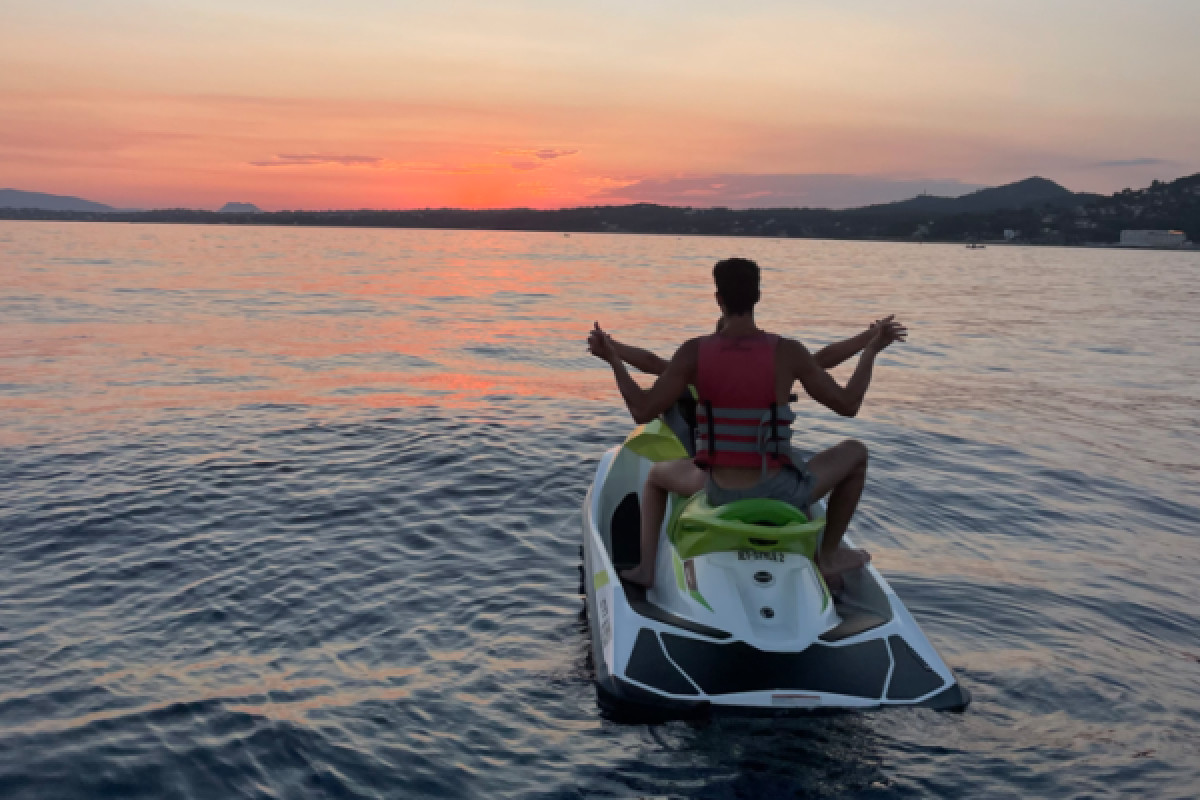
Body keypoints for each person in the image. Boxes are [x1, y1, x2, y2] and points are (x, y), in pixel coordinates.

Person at [588, 257, 906, 590]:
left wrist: (613, 359)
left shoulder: (694, 353)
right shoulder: (789, 353)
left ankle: (645, 570)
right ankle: (827, 557)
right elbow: (848, 404)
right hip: (782, 491)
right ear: (757, 297)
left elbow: (642, 410)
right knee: (855, 452)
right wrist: (871, 350)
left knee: (655, 477)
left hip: (719, 490)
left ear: (718, 299)